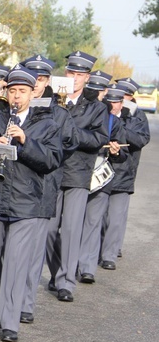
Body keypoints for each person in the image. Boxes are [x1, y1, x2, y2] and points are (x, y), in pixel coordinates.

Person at [0, 65, 62, 342]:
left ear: (32, 93)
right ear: (5, 92)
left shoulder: (47, 124)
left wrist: (25, 142)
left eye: (22, 92)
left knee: (16, 263)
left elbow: (52, 161)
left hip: (26, 203)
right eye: (13, 91)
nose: (17, 97)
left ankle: (10, 322)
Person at [20, 54, 77, 323]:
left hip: (43, 185)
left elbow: (67, 147)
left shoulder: (59, 113)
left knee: (33, 250)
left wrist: (40, 156)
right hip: (13, 187)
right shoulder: (10, 107)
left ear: (45, 82)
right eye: (32, 78)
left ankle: (26, 304)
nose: (37, 83)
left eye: (41, 79)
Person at [51, 51, 109, 303]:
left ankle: (66, 281)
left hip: (77, 173)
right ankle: (57, 272)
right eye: (70, 73)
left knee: (72, 230)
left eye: (79, 75)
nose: (73, 78)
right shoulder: (51, 100)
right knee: (48, 230)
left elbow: (99, 139)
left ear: (87, 78)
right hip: (51, 171)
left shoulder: (96, 106)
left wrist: (71, 132)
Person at [76, 85, 128, 284]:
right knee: (73, 224)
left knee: (93, 221)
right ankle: (70, 265)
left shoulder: (114, 121)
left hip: (101, 177)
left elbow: (123, 152)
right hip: (77, 174)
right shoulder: (77, 114)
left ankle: (87, 267)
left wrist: (116, 151)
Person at [100, 78, 151, 269]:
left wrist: (120, 129)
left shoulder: (137, 117)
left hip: (124, 172)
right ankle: (99, 249)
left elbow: (141, 139)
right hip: (100, 171)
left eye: (126, 96)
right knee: (99, 217)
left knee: (115, 217)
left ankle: (109, 254)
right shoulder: (102, 111)